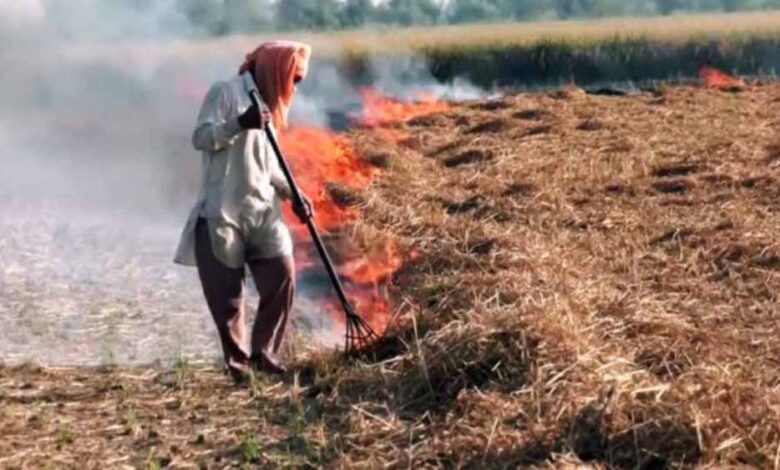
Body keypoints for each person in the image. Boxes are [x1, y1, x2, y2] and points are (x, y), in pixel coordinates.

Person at [174, 41, 313, 382]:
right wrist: (240, 123)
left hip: (263, 209)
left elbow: (270, 165)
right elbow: (200, 137)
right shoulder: (225, 93)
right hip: (224, 211)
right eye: (293, 78)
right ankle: (238, 366)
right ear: (274, 71)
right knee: (229, 299)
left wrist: (294, 193)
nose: (294, 87)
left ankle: (265, 355)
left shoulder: (270, 106)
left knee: (283, 277)